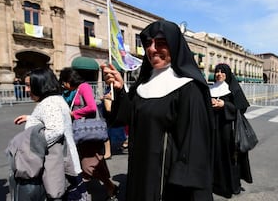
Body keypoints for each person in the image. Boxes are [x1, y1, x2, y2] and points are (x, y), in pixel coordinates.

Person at [102, 20, 215, 200]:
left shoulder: (189, 88)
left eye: (161, 43)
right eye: (148, 43)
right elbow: (129, 117)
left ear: (175, 46)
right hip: (141, 167)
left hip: (168, 177)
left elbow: (195, 141)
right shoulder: (144, 83)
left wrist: (181, 181)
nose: (152, 49)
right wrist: (119, 89)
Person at [12, 68, 85, 200]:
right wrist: (31, 118)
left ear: (41, 84)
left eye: (29, 85)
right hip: (66, 163)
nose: (26, 90)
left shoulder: (49, 104)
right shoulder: (55, 100)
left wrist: (30, 147)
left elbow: (55, 130)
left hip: (59, 167)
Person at [59, 67, 118, 200]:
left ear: (69, 79)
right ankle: (110, 187)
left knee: (89, 163)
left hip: (88, 132)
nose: (63, 85)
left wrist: (73, 114)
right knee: (95, 161)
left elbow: (91, 107)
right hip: (82, 133)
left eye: (64, 82)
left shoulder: (84, 87)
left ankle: (109, 186)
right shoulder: (74, 90)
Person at [209, 63, 253, 198]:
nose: (219, 74)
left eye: (222, 72)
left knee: (228, 156)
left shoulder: (232, 88)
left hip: (228, 129)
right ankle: (215, 183)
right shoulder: (210, 88)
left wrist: (224, 105)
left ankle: (230, 185)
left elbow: (241, 108)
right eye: (217, 71)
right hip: (213, 127)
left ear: (227, 74)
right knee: (214, 154)